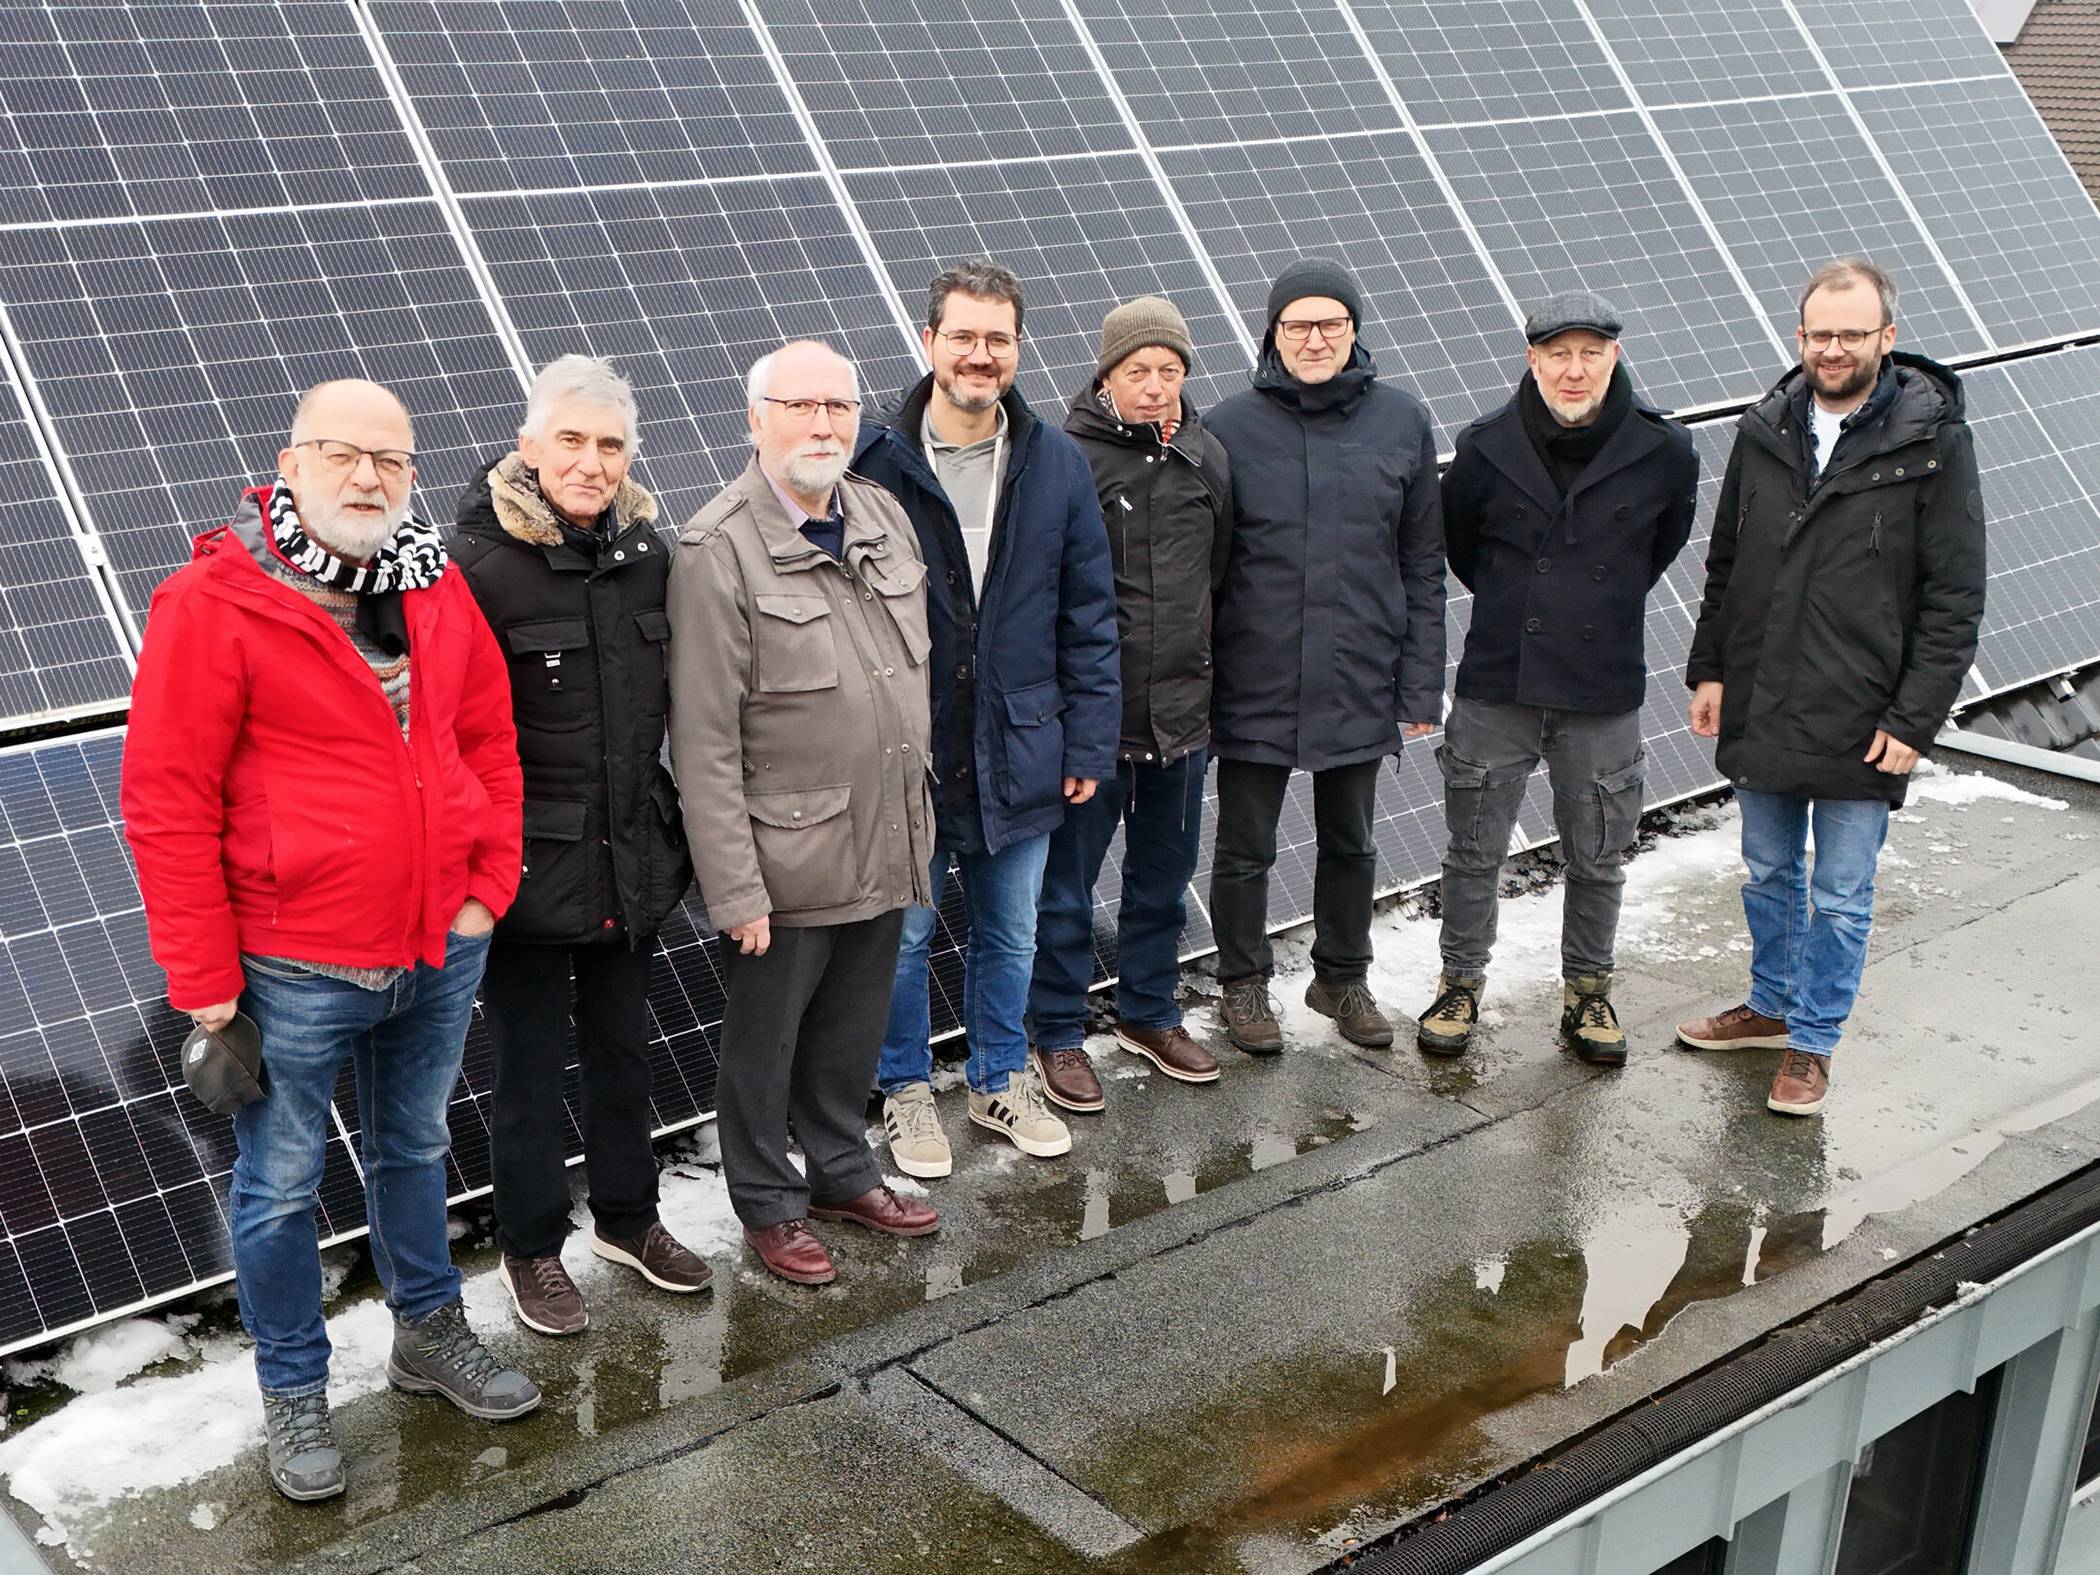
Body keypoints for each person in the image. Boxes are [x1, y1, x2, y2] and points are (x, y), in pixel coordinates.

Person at [121, 379, 539, 1505]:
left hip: (437, 947)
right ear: (290, 462)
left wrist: (484, 891)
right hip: (294, 962)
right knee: (278, 1186)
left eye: (392, 462)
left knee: (412, 1152)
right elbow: (167, 802)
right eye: (345, 455)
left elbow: (490, 742)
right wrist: (204, 980)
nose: (369, 478)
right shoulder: (213, 603)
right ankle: (295, 1393)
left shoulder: (434, 582)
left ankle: (427, 1330)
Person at [1678, 258, 1986, 1117]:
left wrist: (1915, 718)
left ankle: (1812, 1044)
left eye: (1853, 334)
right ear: (1800, 335)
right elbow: (1726, 563)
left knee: (1843, 894)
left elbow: (1956, 597)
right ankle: (1771, 1006)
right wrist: (1709, 667)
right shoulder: (1764, 428)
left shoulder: (1934, 442)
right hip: (1766, 692)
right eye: (1821, 334)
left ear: (1887, 337)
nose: (1835, 349)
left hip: (1867, 711)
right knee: (1768, 868)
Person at [668, 341, 940, 1285]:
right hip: (785, 857)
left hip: (889, 828)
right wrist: (733, 886)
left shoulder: (880, 514)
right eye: (802, 406)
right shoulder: (717, 548)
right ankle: (767, 1199)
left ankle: (841, 1169)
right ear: (756, 418)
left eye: (839, 405)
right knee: (767, 1038)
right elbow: (701, 739)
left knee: (852, 1025)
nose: (824, 424)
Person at [451, 355, 709, 1338]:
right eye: (572, 441)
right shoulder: (476, 570)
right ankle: (530, 1247)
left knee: (622, 1052)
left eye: (610, 444)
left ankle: (630, 1220)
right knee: (525, 1071)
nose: (592, 462)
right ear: (528, 447)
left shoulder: (651, 555)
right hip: (524, 869)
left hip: (632, 855)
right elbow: (451, 738)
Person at [853, 259, 1120, 1175]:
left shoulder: (1056, 462)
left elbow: (1089, 611)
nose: (979, 354)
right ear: (928, 342)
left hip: (1022, 740)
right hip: (910, 748)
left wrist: (1087, 738)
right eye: (961, 336)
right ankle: (905, 1089)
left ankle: (1002, 1076)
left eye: (997, 339)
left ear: (1018, 348)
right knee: (905, 935)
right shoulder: (872, 461)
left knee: (1013, 927)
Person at [1416, 292, 1697, 1065]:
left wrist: (1592, 602)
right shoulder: (1483, 448)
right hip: (1498, 676)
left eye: (1591, 352)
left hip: (1601, 682)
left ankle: (1587, 992)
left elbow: (1657, 550)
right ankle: (1459, 982)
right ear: (1531, 357)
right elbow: (1464, 549)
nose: (1574, 370)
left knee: (1599, 851)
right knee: (1472, 847)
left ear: (1615, 353)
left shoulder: (1665, 450)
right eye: (1557, 354)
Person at [1204, 258, 1446, 1055]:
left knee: (1353, 841)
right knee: (1245, 846)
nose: (1315, 339)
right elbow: (1205, 566)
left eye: (1331, 324)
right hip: (1255, 673)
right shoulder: (1228, 427)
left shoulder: (1403, 422)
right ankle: (1243, 984)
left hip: (1358, 671)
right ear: (1271, 334)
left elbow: (1421, 565)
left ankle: (1341, 975)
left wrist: (1419, 685)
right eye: (1297, 325)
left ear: (1354, 330)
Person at [1026, 296, 1232, 1110]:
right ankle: (1058, 1031)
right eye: (1138, 371)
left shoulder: (1207, 456)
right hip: (1092, 725)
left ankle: (1149, 1012)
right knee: (1068, 888)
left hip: (1184, 717)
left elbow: (1219, 574)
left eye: (1170, 371)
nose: (1155, 387)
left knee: (1163, 878)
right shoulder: (1063, 457)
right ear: (1107, 375)